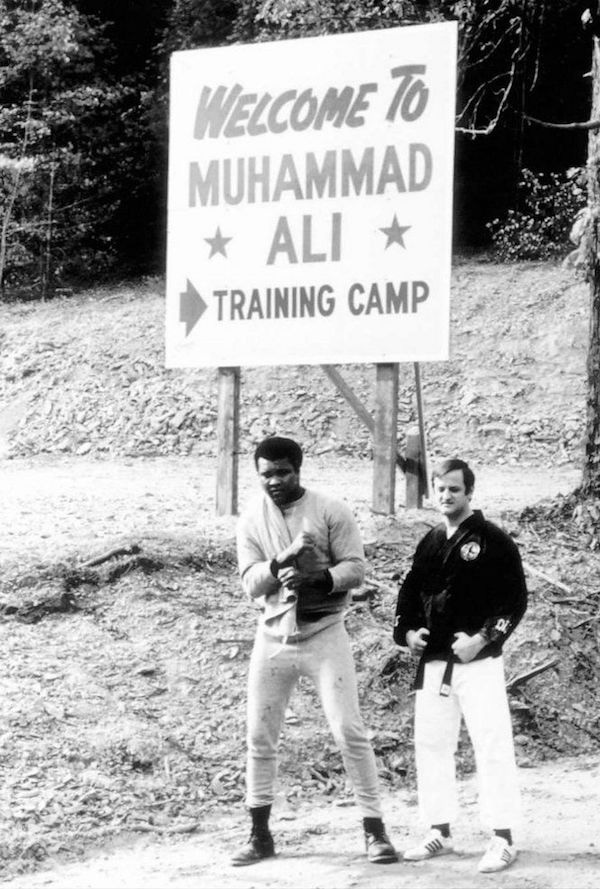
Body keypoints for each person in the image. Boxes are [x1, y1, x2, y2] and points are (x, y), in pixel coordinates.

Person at [232, 435, 397, 867]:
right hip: (273, 635)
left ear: (298, 470)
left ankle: (375, 830)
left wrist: (319, 580)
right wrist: (279, 563)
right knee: (259, 735)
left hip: (324, 630)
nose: (274, 481)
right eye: (266, 474)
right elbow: (250, 583)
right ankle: (259, 833)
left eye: (282, 472)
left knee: (349, 730)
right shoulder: (252, 518)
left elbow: (356, 568)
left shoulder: (329, 509)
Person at [393, 458, 527, 874]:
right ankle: (439, 829)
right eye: (440, 488)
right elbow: (410, 594)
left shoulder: (492, 540)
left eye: (454, 488)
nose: (446, 495)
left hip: (477, 661)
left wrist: (484, 637)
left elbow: (514, 599)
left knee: (492, 745)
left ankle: (503, 836)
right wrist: (409, 633)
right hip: (435, 661)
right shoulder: (431, 541)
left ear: (470, 492)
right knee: (431, 745)